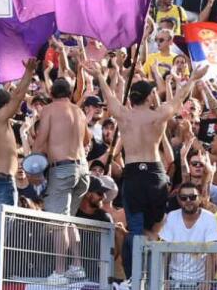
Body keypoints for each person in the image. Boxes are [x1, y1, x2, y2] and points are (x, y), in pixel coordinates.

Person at [84, 63, 203, 277]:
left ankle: (135, 276)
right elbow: (178, 100)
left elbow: (110, 100)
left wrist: (100, 76)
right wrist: (193, 78)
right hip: (154, 174)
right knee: (153, 230)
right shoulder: (157, 115)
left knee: (136, 230)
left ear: (132, 98)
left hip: (134, 175)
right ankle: (147, 274)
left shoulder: (124, 115)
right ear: (150, 97)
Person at [32, 76, 90, 282]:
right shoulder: (79, 111)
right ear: (69, 93)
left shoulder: (49, 110)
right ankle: (77, 266)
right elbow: (87, 139)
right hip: (83, 169)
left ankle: (59, 271)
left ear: (51, 94)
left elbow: (40, 142)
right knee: (69, 220)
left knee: (59, 222)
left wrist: (35, 169)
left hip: (63, 169)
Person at [0, 59, 38, 218]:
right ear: (5, 106)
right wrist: (29, 72)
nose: (16, 107)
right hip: (1, 182)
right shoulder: (0, 119)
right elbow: (17, 96)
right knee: (3, 232)